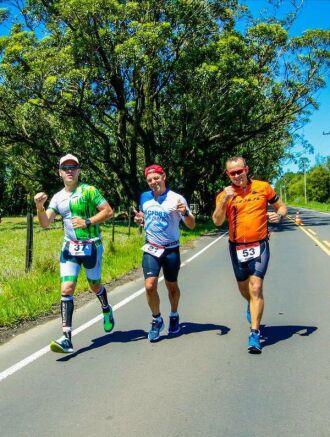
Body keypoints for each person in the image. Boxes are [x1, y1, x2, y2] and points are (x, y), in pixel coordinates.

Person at [34, 153, 114, 353]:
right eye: (65, 168)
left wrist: (88, 221)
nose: (69, 171)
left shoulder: (89, 190)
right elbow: (45, 223)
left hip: (91, 245)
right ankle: (67, 338)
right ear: (60, 172)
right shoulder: (58, 197)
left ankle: (106, 308)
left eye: (73, 167)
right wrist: (39, 206)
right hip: (69, 247)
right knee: (67, 287)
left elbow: (108, 211)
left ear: (78, 170)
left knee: (94, 285)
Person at [212, 156, 287, 354]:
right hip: (236, 247)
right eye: (232, 173)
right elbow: (217, 222)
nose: (237, 175)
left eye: (240, 171)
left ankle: (254, 333)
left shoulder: (263, 187)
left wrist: (278, 215)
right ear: (228, 175)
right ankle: (250, 305)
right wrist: (224, 201)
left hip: (260, 245)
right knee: (245, 288)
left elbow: (281, 206)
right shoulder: (224, 195)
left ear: (246, 169)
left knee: (256, 287)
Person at [134, 164, 196, 342]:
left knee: (172, 287)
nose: (153, 182)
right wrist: (140, 220)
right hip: (151, 248)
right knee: (149, 285)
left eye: (156, 178)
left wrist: (185, 213)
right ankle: (157, 319)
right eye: (149, 180)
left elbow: (192, 225)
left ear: (164, 177)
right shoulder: (145, 197)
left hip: (171, 249)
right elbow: (143, 218)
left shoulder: (177, 199)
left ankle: (174, 314)